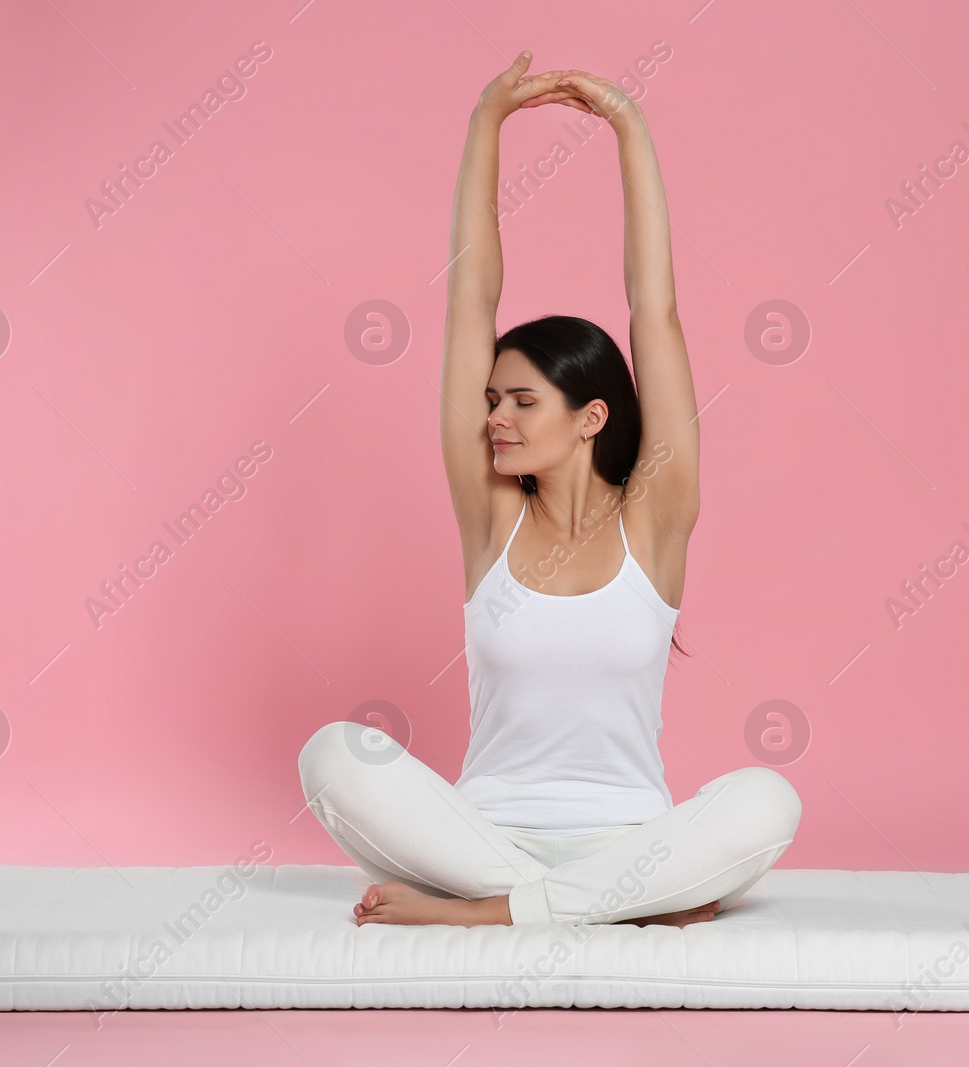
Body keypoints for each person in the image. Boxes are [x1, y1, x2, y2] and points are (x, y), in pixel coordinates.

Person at [298, 51, 801, 928]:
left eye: (523, 401)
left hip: (627, 840)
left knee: (769, 800)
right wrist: (484, 125)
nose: (495, 417)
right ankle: (599, 907)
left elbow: (657, 310)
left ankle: (492, 913)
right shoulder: (490, 513)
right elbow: (469, 300)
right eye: (493, 399)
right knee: (333, 754)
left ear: (592, 416)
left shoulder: (656, 520)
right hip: (480, 835)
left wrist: (629, 129)